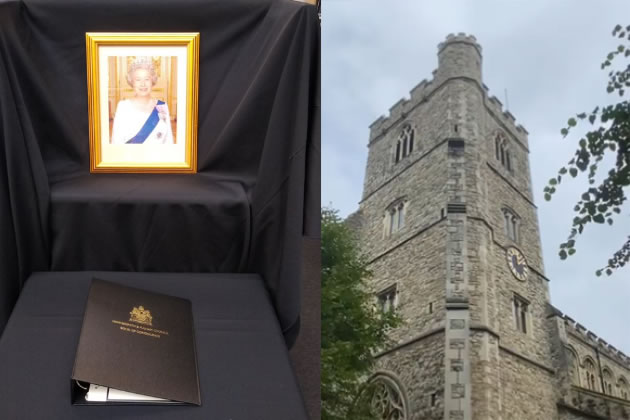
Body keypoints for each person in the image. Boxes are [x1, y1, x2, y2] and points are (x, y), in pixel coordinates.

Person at [111, 57, 174, 145]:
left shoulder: (162, 106)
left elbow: (168, 140)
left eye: (147, 79)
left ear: (152, 81)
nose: (143, 84)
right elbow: (116, 141)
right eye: (138, 79)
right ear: (131, 82)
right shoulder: (123, 106)